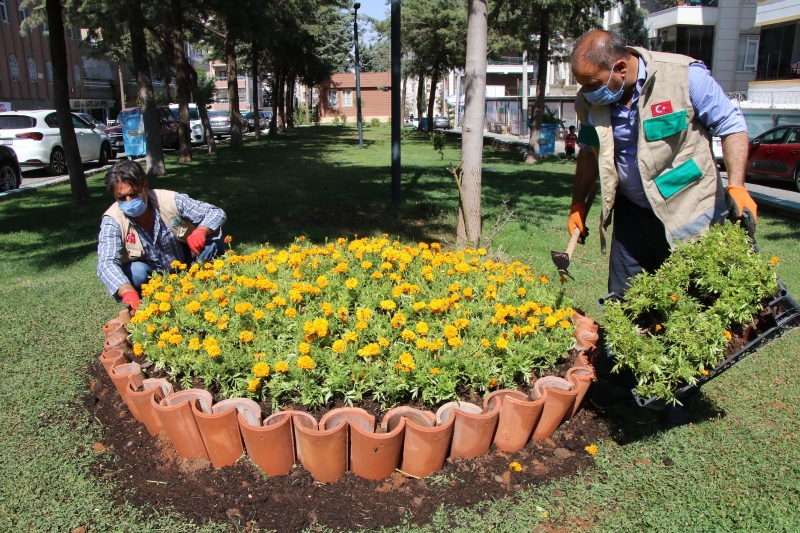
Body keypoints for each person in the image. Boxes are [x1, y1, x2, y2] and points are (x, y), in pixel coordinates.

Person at [567, 30, 758, 423]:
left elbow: (732, 125)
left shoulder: (684, 77)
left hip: (687, 209)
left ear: (620, 68)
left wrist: (737, 185)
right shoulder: (590, 99)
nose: (585, 93)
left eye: (591, 83)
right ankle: (623, 379)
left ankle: (677, 396)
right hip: (634, 211)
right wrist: (578, 204)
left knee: (686, 304)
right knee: (624, 297)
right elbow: (588, 151)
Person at [97, 160, 228, 313]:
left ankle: (210, 290)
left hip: (188, 264)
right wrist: (127, 291)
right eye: (121, 197)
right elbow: (106, 263)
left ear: (145, 186)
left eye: (133, 194)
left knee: (212, 245)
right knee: (136, 271)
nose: (129, 201)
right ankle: (146, 306)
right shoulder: (112, 220)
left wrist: (201, 231)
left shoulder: (168, 200)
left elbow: (215, 212)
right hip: (153, 280)